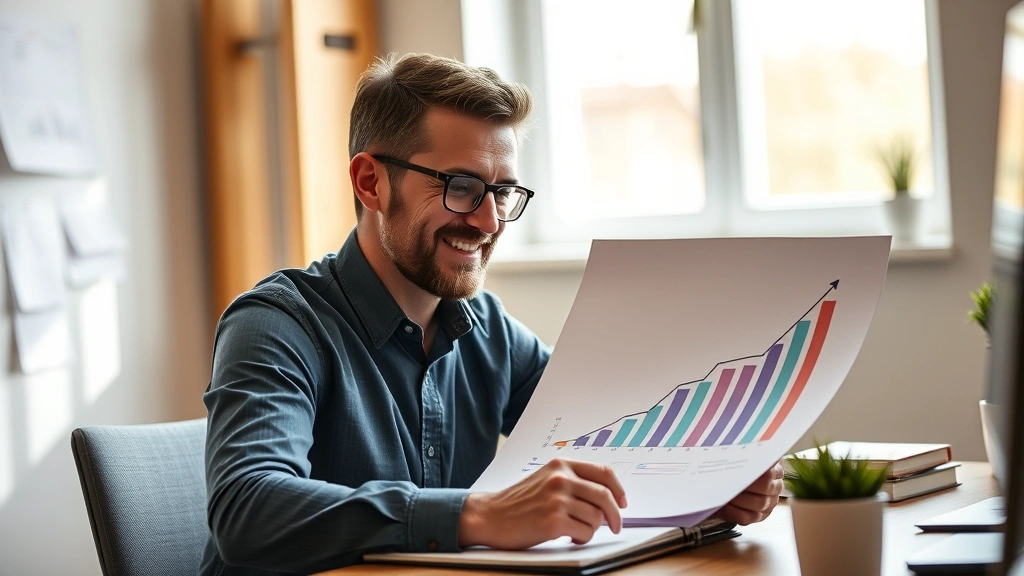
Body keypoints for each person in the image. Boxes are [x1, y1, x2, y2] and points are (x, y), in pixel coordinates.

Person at [201, 52, 784, 576]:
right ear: (371, 181)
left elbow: (614, 431)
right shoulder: (275, 325)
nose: (487, 222)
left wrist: (711, 480)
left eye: (502, 192)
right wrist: (475, 515)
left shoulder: (486, 326)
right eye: (460, 186)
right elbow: (247, 509)